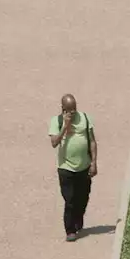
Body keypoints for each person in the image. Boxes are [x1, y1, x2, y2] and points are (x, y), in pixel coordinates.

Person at [49, 94, 98, 242]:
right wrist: (65, 126)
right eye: (69, 110)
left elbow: (93, 142)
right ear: (63, 109)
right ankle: (70, 230)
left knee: (83, 198)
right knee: (69, 200)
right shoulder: (56, 121)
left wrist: (94, 162)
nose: (73, 112)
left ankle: (78, 218)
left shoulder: (85, 118)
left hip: (84, 166)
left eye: (74, 109)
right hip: (66, 168)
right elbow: (54, 143)